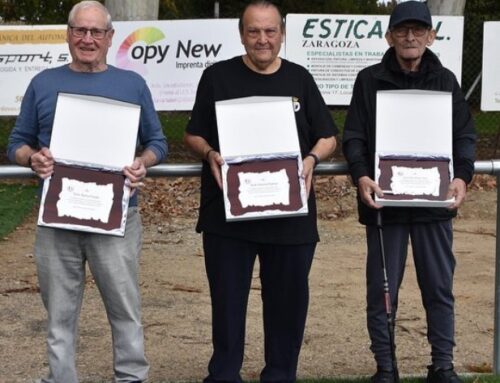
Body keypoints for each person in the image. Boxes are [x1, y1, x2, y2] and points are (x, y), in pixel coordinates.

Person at [7, 2, 167, 382]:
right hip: (57, 218)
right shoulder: (43, 83)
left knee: (124, 309)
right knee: (59, 315)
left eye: (96, 32)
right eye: (80, 30)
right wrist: (33, 159)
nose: (88, 39)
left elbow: (157, 141)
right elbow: (17, 143)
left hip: (117, 217)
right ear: (68, 34)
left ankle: (131, 377)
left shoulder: (132, 85)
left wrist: (143, 161)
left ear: (110, 37)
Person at [183, 1, 337, 382]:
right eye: (254, 31)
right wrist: (210, 152)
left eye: (270, 31)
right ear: (242, 35)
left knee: (287, 306)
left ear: (282, 34)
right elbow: (192, 133)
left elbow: (328, 136)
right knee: (228, 304)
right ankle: (223, 375)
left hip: (290, 219)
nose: (263, 39)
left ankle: (281, 374)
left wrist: (312, 159)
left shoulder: (300, 78)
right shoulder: (217, 77)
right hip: (228, 217)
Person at [342, 2, 476, 383]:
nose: (410, 36)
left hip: (434, 204)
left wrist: (462, 177)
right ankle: (386, 367)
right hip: (385, 203)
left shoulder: (446, 81)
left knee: (438, 287)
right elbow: (354, 136)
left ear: (432, 36)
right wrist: (361, 176)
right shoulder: (369, 80)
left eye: (419, 30)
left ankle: (442, 365)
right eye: (402, 30)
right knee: (382, 291)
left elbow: (464, 135)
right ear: (389, 36)